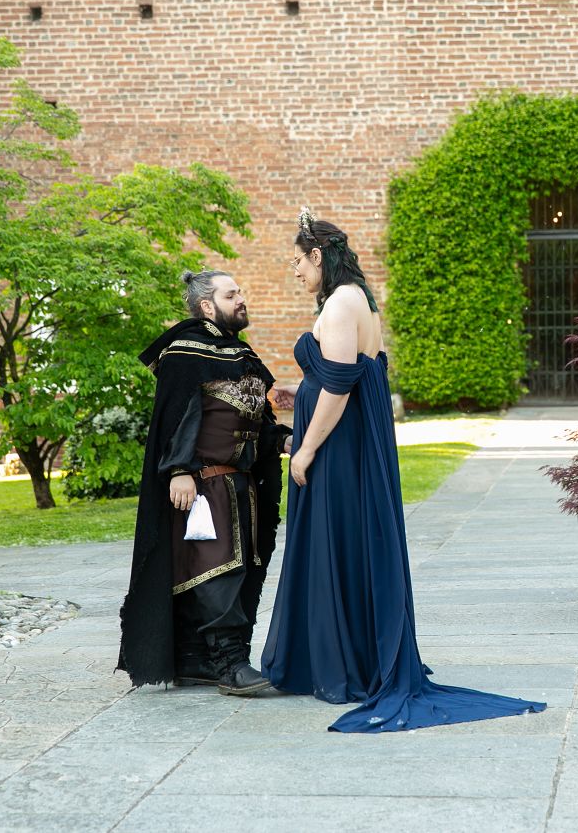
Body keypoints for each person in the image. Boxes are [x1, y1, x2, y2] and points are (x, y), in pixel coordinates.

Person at [261, 210, 546, 732]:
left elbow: (339, 387)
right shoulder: (357, 300)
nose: (295, 271)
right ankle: (345, 655)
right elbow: (340, 375)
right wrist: (294, 395)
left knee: (338, 540)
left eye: (297, 261)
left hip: (338, 450)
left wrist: (304, 450)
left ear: (318, 256)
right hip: (347, 444)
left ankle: (346, 665)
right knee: (343, 540)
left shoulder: (342, 303)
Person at [118, 270, 291, 694]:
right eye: (232, 295)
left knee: (241, 570)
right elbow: (179, 416)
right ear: (208, 306)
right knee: (216, 572)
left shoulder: (239, 352)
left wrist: (283, 439)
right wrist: (179, 470)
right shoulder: (185, 352)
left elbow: (254, 420)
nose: (242, 298)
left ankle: (203, 661)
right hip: (203, 485)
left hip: (242, 487)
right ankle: (230, 667)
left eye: (240, 291)